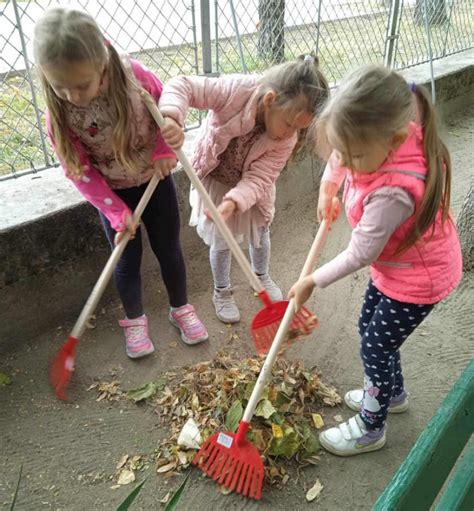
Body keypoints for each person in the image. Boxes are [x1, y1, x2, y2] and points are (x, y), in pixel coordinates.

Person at [289, 65, 462, 456]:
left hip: (419, 281)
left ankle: (371, 427)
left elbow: (361, 252)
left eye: (355, 156)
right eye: (342, 152)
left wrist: (312, 281)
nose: (346, 163)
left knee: (375, 347)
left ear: (393, 140)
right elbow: (339, 153)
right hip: (396, 270)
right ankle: (392, 392)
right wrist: (328, 189)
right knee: (369, 326)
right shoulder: (369, 141)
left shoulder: (393, 193)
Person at [34, 6, 208, 359]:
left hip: (153, 180)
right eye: (60, 86)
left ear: (101, 64)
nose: (73, 96)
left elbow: (166, 109)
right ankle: (135, 320)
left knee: (169, 248)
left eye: (82, 85)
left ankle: (181, 308)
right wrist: (115, 213)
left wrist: (165, 148)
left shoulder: (134, 77)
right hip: (111, 195)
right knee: (126, 260)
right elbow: (77, 169)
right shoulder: (61, 112)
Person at [159, 57, 329, 323]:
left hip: (251, 187)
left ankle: (260, 276)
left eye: (299, 129)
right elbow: (183, 85)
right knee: (222, 240)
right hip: (217, 177)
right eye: (289, 124)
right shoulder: (235, 90)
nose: (291, 134)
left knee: (260, 232)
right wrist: (171, 116)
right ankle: (222, 291)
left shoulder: (286, 139)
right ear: (270, 99)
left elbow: (261, 178)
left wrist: (235, 202)